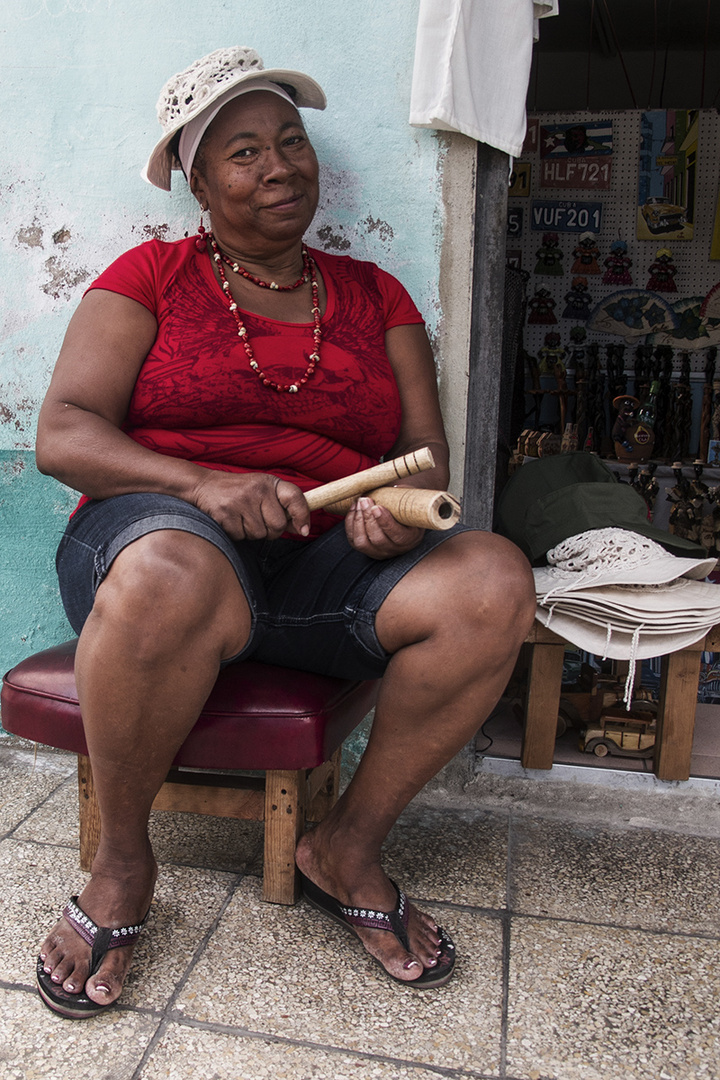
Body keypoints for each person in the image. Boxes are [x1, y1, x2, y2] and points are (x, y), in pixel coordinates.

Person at [34, 46, 535, 1017]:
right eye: (244, 152)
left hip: (326, 563)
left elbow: (424, 453)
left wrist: (392, 514)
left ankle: (345, 847)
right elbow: (63, 433)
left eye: (291, 143)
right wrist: (203, 484)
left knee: (492, 584)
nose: (278, 167)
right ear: (196, 180)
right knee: (172, 569)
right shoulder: (149, 275)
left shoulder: (376, 295)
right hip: (163, 532)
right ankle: (123, 868)